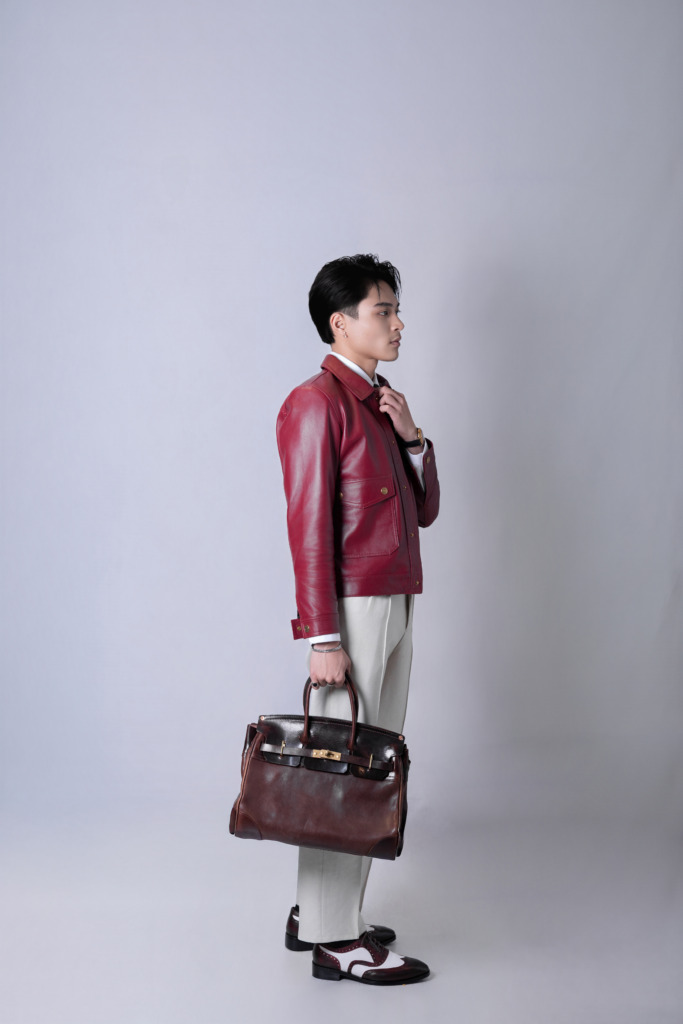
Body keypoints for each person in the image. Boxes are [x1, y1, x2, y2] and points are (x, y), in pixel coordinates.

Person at [276, 254, 440, 985]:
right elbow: (308, 528)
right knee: (340, 771)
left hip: (395, 598)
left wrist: (413, 438)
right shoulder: (316, 403)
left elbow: (423, 512)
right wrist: (322, 635)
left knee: (365, 767)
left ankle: (325, 913)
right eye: (384, 310)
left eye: (396, 309)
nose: (399, 323)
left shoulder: (380, 403)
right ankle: (333, 937)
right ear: (341, 322)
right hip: (351, 610)